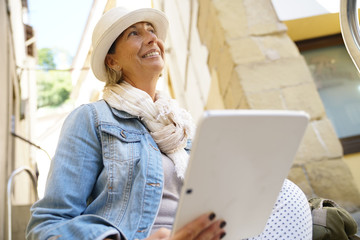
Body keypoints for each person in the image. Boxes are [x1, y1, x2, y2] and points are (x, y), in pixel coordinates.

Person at [26, 7, 312, 240]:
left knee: (286, 194)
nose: (151, 38)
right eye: (134, 33)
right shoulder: (92, 118)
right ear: (112, 61)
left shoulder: (184, 129)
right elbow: (47, 225)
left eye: (152, 30)